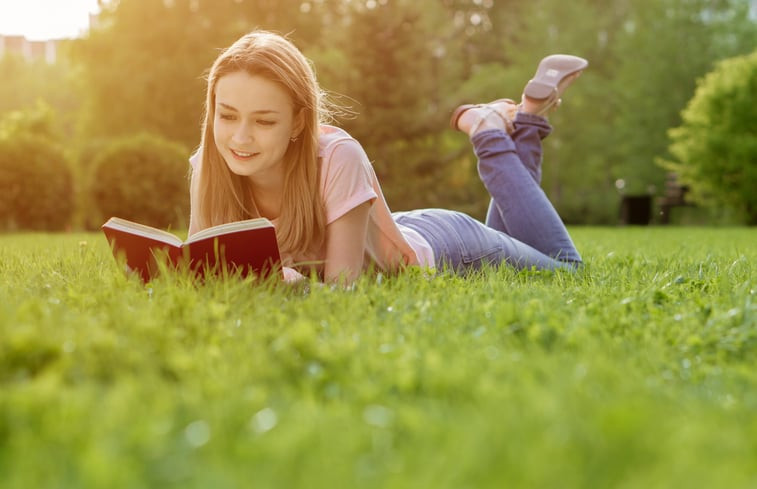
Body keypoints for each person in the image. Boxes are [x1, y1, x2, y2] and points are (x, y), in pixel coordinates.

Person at [188, 30, 587, 284]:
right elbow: (202, 271)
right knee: (522, 238)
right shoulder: (206, 166)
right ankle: (529, 117)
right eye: (227, 115)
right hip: (391, 228)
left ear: (297, 123)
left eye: (263, 121)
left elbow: (344, 291)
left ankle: (487, 131)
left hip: (448, 248)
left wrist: (294, 288)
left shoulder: (336, 157)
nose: (240, 137)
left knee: (566, 270)